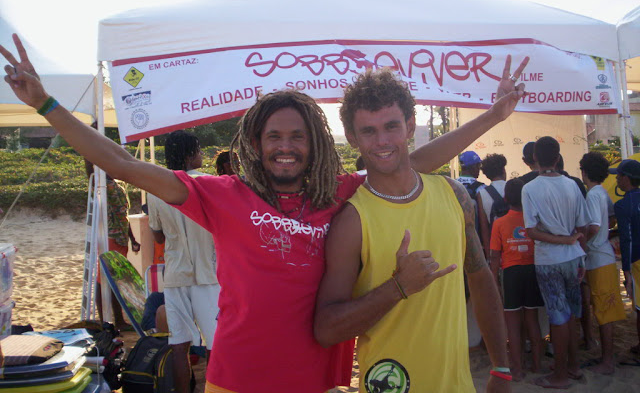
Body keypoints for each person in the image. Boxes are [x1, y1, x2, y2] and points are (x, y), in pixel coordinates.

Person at [1, 34, 527, 393]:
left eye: (297, 136)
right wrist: (46, 104)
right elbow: (120, 162)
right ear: (256, 142)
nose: (285, 146)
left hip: (314, 379)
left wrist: (493, 115)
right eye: (274, 136)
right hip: (237, 378)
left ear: (314, 142)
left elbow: (411, 159)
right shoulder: (221, 195)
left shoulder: (337, 193)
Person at [314, 69, 512, 392]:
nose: (382, 141)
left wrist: (501, 367)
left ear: (409, 125)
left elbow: (480, 278)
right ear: (351, 137)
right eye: (368, 131)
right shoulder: (352, 221)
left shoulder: (453, 194)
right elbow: (326, 329)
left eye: (391, 126)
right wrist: (398, 287)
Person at [147, 130, 219, 393]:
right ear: (190, 155)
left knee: (179, 346)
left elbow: (157, 236)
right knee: (215, 345)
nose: (201, 155)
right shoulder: (210, 183)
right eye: (198, 150)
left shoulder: (156, 188)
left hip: (176, 276)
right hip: (209, 276)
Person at [522, 136, 589, 389]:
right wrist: (578, 251)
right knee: (569, 313)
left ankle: (560, 375)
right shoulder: (572, 185)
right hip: (573, 257)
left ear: (535, 158)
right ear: (558, 157)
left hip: (549, 260)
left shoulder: (530, 188)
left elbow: (531, 231)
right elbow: (582, 226)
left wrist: (562, 241)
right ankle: (573, 366)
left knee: (559, 316)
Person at [490, 179, 544, 381]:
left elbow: (495, 256)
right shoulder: (533, 221)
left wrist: (494, 281)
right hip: (532, 270)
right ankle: (537, 366)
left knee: (512, 324)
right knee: (532, 320)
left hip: (511, 273)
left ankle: (518, 369)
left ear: (505, 198)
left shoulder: (499, 223)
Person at [579, 152, 626, 374]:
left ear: (584, 172)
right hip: (602, 256)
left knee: (604, 312)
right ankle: (606, 358)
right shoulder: (601, 193)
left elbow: (595, 226)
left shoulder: (592, 195)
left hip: (598, 258)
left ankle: (607, 361)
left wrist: (581, 242)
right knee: (603, 309)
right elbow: (611, 219)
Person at [84, 156, 140, 329]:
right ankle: (106, 323)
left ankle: (119, 320)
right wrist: (89, 151)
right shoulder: (100, 184)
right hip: (109, 237)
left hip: (120, 238)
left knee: (115, 280)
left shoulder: (116, 185)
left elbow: (123, 215)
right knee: (104, 280)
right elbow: (90, 170)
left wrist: (132, 239)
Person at [610, 158, 640, 356]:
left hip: (637, 259)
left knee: (639, 306)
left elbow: (626, 238)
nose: (617, 179)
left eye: (619, 176)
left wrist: (626, 270)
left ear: (627, 179)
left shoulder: (623, 205)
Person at [478, 153, 508, 257]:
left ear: (487, 175)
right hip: (517, 243)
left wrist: (489, 255)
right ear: (503, 170)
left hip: (496, 246)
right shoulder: (515, 187)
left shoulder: (481, 194)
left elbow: (484, 228)